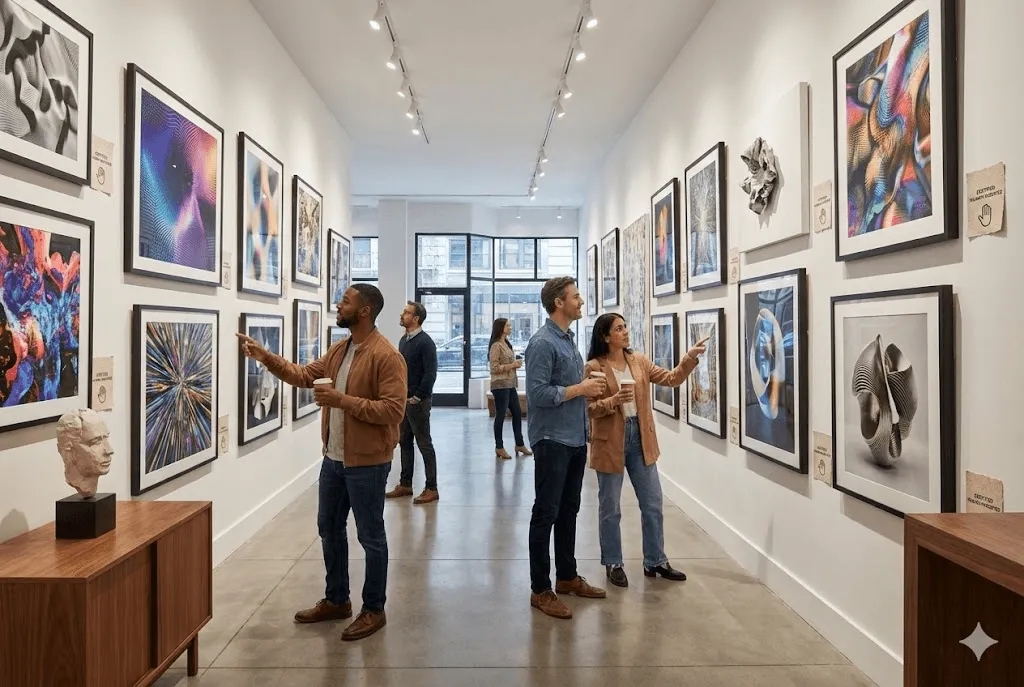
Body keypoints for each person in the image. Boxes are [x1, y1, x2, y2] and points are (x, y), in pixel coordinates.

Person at [236, 284, 407, 641]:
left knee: (371, 536)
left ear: (365, 311)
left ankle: (374, 609)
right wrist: (265, 357)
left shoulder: (387, 355)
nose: (338, 305)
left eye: (345, 301)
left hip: (368, 463)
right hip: (333, 459)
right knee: (329, 528)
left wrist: (341, 400)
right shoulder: (340, 349)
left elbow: (393, 410)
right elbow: (302, 375)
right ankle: (337, 599)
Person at [585, 313, 706, 588]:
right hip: (611, 442)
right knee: (610, 509)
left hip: (640, 438)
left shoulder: (638, 361)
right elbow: (589, 409)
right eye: (619, 328)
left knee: (652, 504)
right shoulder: (594, 366)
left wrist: (689, 358)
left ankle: (655, 561)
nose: (625, 331)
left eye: (625, 326)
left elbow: (672, 379)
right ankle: (613, 562)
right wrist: (613, 401)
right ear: (605, 336)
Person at [525, 276, 608, 620]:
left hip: (574, 438)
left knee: (568, 510)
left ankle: (567, 576)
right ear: (559, 303)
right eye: (576, 297)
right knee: (546, 512)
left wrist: (585, 387)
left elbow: (570, 387)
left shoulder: (569, 339)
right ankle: (540, 589)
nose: (581, 301)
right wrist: (581, 389)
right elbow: (537, 394)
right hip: (552, 440)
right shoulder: (542, 343)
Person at [386, 301, 440, 504]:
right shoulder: (404, 340)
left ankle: (432, 488)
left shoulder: (425, 342)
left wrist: (417, 397)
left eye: (406, 312)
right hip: (404, 401)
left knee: (424, 444)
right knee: (405, 441)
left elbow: (430, 373)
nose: (402, 315)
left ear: (416, 318)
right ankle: (405, 484)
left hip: (418, 402)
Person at [488, 317, 531, 459]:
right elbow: (494, 368)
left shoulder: (506, 344)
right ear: (501, 328)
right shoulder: (496, 346)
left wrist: (515, 363)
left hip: (510, 384)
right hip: (500, 385)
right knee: (500, 415)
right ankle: (499, 447)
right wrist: (512, 365)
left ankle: (519, 443)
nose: (510, 328)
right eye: (508, 325)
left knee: (517, 413)